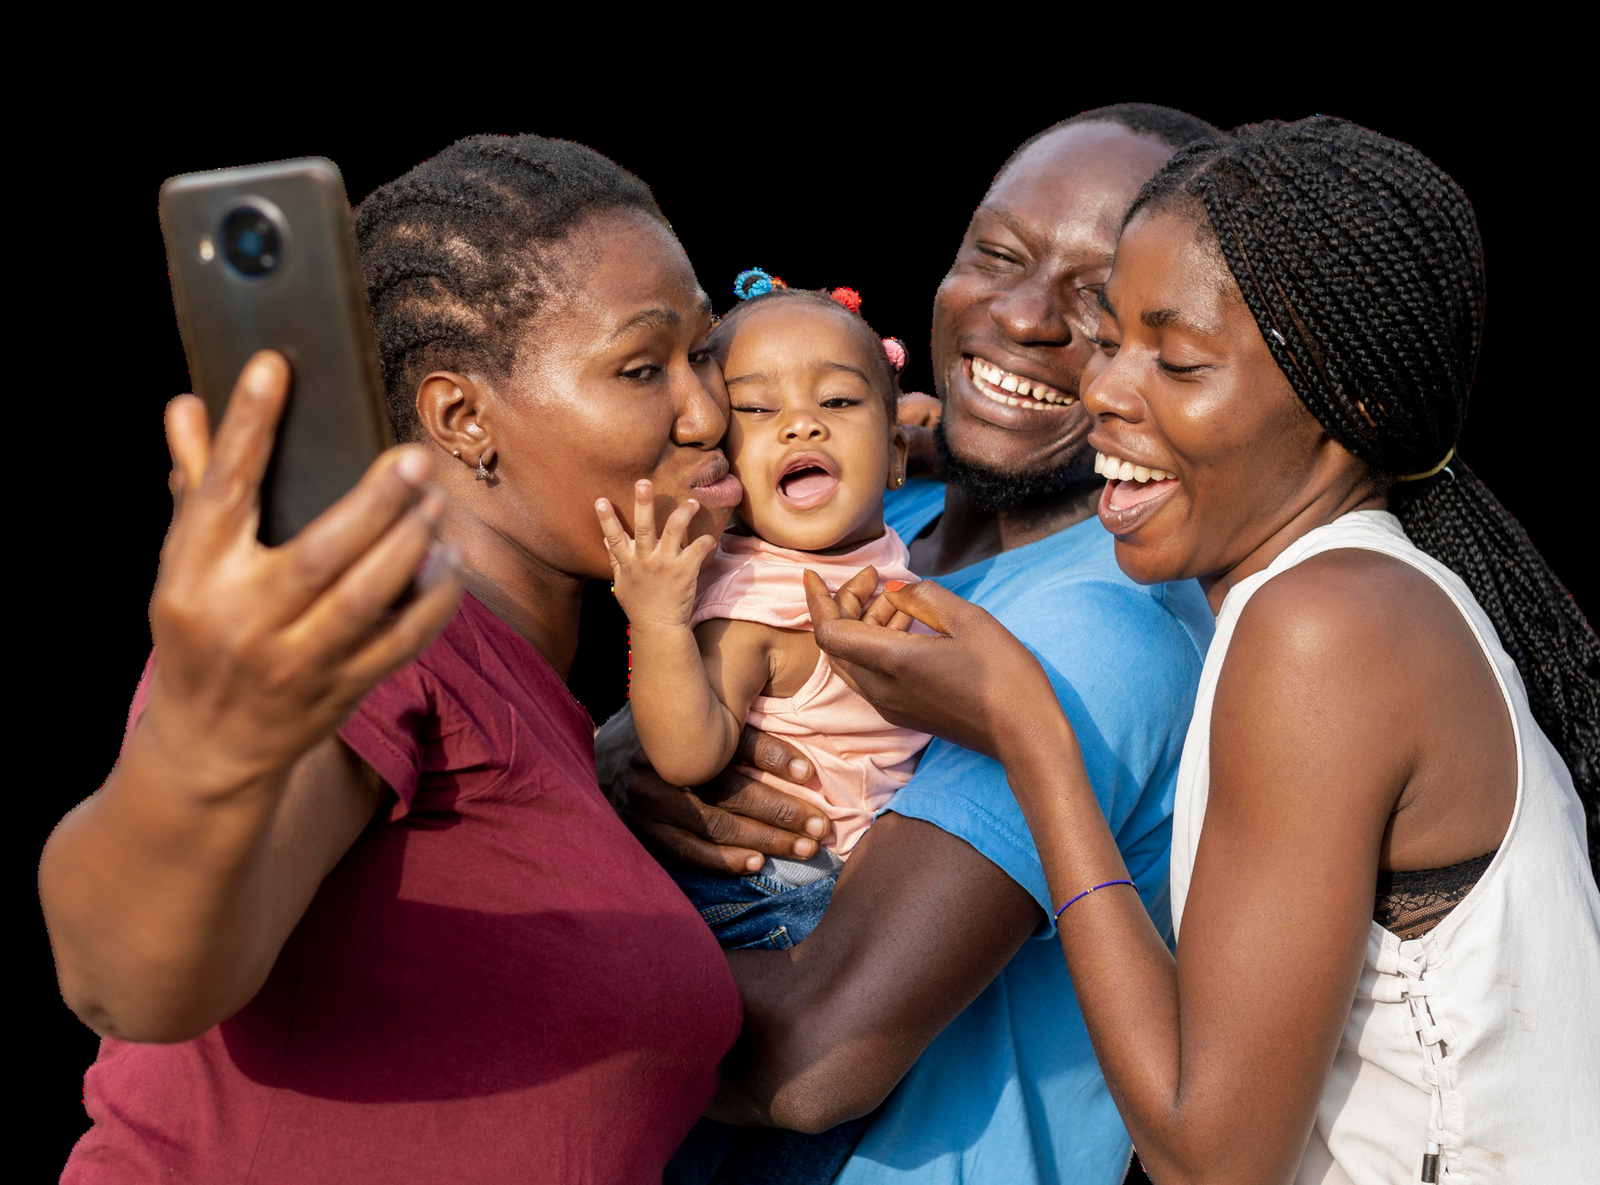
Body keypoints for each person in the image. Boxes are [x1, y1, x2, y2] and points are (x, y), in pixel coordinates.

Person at [808, 117, 1600, 1184]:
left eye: (1175, 360)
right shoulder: (1323, 602)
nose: (1104, 390)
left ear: (1346, 406)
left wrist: (1033, 739)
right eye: (1118, 338)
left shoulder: (1327, 626)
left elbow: (1210, 1160)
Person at [41, 135, 750, 1184]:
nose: (709, 411)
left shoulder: (561, 725)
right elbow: (132, 982)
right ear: (462, 419)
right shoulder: (377, 638)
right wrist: (207, 744)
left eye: (705, 353)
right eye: (643, 368)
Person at [607, 103, 1222, 1185]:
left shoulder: (1097, 624)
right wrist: (620, 762)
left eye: (1100, 297)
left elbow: (808, 1054)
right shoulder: (875, 523)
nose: (1026, 317)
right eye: (997, 252)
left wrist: (480, 956)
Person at [601, 274, 927, 950]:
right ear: (720, 461)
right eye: (755, 409)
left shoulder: (886, 550)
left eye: (837, 399)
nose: (802, 423)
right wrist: (658, 623)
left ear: (897, 452)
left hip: (858, 877)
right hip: (774, 894)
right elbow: (689, 756)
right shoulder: (749, 602)